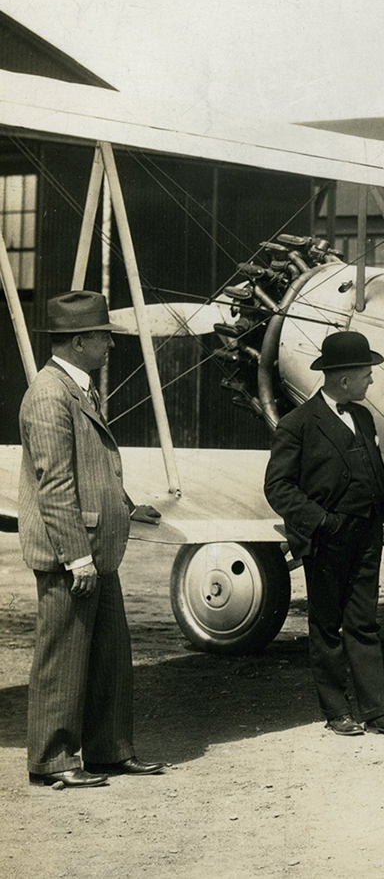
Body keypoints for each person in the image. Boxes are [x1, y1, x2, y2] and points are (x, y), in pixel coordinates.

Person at [19, 290, 165, 788]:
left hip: (96, 548)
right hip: (72, 555)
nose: (110, 346)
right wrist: (76, 557)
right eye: (104, 337)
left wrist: (127, 506)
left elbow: (93, 466)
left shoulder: (76, 389)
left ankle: (108, 751)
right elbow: (55, 483)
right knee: (63, 656)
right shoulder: (48, 394)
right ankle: (52, 761)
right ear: (79, 341)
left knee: (108, 656)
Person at [264, 330, 384, 737]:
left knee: (364, 623)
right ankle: (337, 712)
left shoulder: (363, 417)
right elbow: (278, 488)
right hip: (327, 538)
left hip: (367, 536)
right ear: (344, 379)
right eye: (367, 374)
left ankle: (377, 711)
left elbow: (375, 472)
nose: (371, 381)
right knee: (327, 626)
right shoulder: (297, 424)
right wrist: (322, 522)